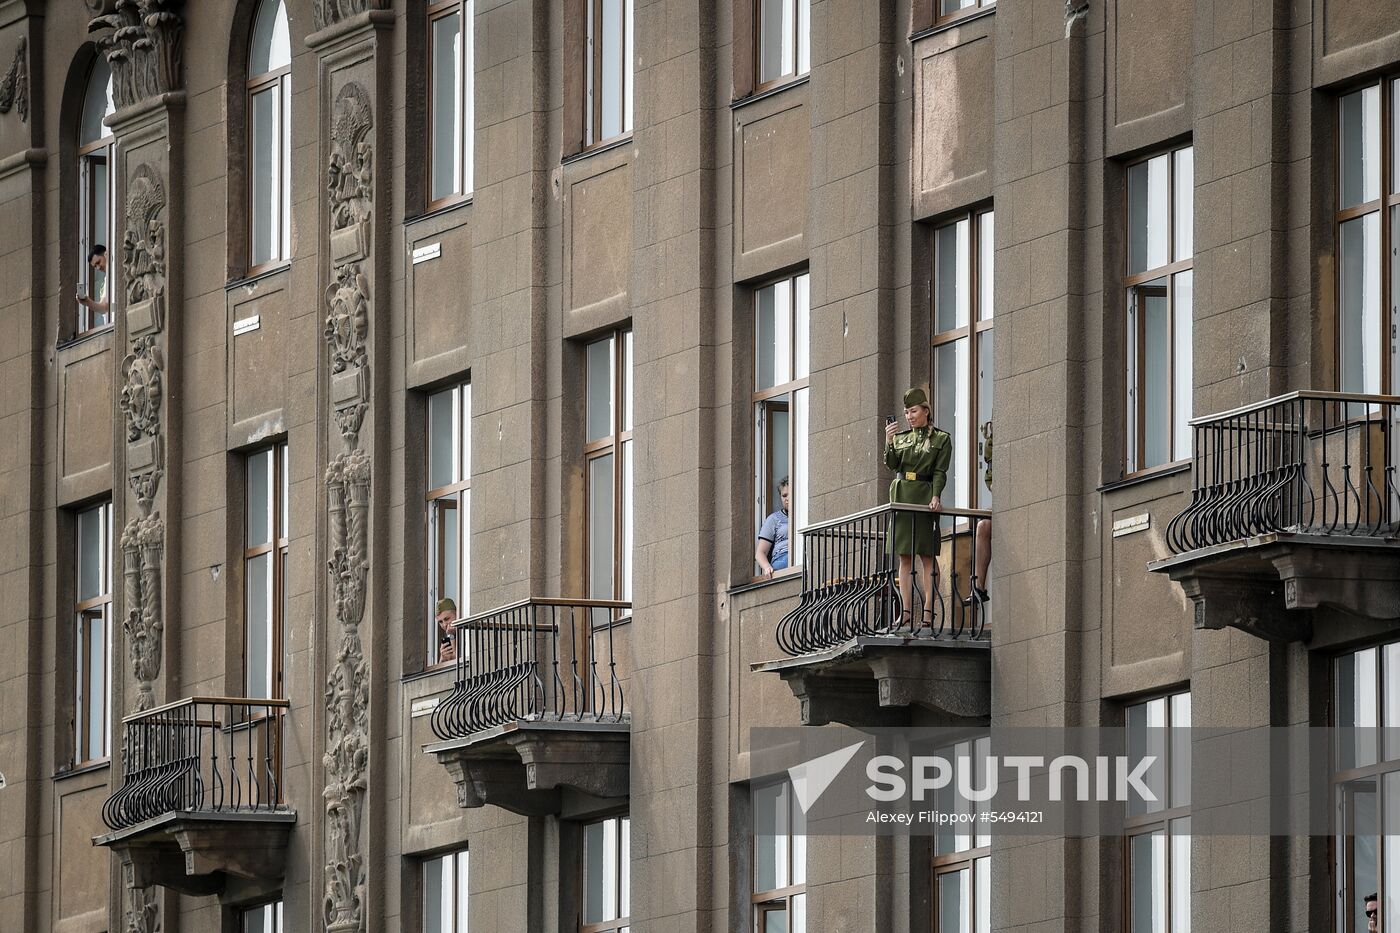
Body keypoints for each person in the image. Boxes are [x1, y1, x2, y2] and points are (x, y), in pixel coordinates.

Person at [883, 387, 951, 628]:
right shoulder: (901, 438)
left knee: (927, 555)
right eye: (906, 412)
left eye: (913, 411)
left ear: (925, 410)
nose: (909, 416)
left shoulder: (941, 439)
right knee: (904, 558)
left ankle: (929, 612)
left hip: (923, 495)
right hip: (901, 494)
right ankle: (907, 611)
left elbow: (940, 472)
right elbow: (892, 464)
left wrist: (936, 496)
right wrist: (889, 442)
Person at [756, 476, 791, 578]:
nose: (787, 499)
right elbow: (760, 552)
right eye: (784, 496)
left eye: (790, 494)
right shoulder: (774, 519)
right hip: (782, 559)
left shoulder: (805, 516)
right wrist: (767, 567)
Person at [78, 244, 110, 324]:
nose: (98, 268)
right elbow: (104, 307)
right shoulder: (107, 279)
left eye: (98, 262)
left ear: (106, 254)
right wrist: (88, 302)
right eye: (95, 266)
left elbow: (105, 307)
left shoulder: (112, 275)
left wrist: (88, 302)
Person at [435, 597, 458, 662]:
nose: (444, 624)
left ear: (457, 614)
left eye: (447, 619)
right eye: (440, 622)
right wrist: (442, 659)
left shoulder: (466, 631)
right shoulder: (447, 638)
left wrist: (451, 635)